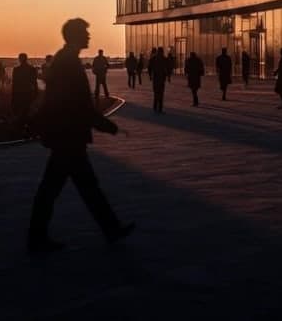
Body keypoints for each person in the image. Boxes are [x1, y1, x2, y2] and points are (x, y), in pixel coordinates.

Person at [28, 18, 135, 252]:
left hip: (67, 135)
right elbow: (77, 104)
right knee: (67, 188)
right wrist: (107, 125)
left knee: (75, 187)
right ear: (74, 36)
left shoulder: (65, 59)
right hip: (68, 135)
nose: (88, 36)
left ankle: (110, 229)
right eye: (85, 33)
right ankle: (37, 237)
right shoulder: (68, 62)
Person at [11, 53, 39, 138]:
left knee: (22, 112)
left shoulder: (16, 70)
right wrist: (36, 93)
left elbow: (14, 84)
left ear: (19, 59)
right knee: (26, 111)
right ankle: (27, 130)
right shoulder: (31, 69)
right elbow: (34, 83)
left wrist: (13, 96)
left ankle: (22, 130)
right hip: (28, 93)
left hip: (19, 93)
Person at [148, 48, 167, 113]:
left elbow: (149, 67)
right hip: (161, 78)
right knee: (161, 94)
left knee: (156, 93)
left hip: (155, 78)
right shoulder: (164, 59)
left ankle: (155, 107)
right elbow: (167, 67)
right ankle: (160, 108)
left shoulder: (153, 59)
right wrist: (166, 75)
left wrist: (150, 75)